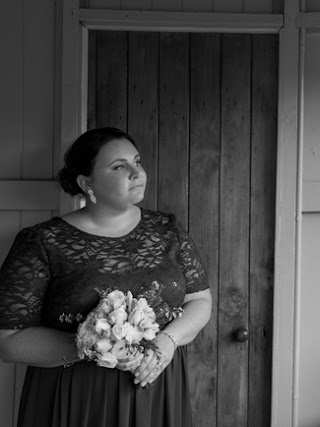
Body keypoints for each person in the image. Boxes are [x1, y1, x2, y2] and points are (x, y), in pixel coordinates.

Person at [0, 127, 212, 427]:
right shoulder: (42, 241)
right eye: (119, 166)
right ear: (87, 183)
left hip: (157, 389)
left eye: (136, 162)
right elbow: (9, 342)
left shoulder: (168, 230)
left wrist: (167, 340)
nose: (136, 173)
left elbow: (200, 301)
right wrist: (94, 344)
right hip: (79, 395)